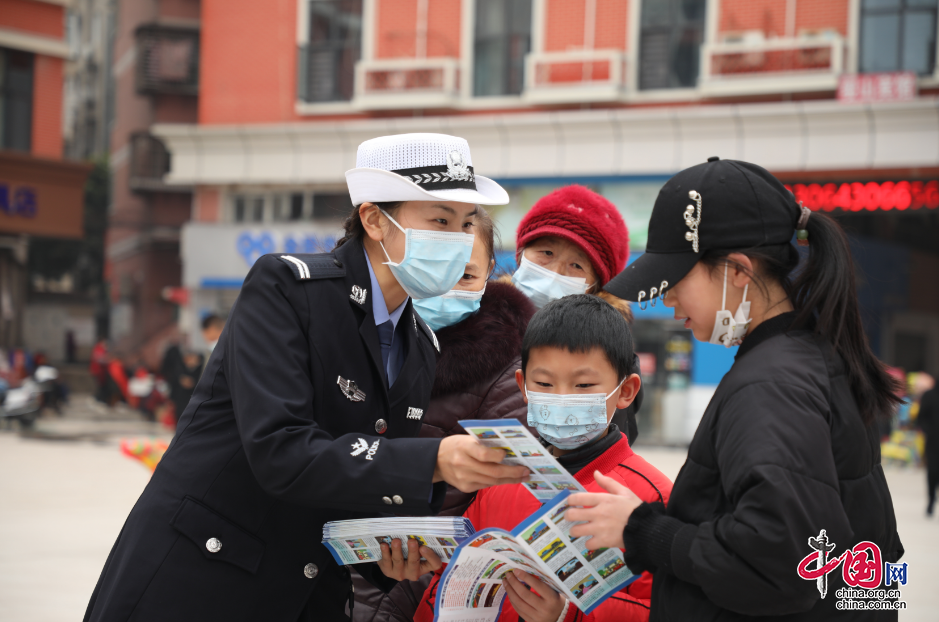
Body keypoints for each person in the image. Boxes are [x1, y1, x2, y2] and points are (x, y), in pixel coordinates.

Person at [83, 133, 530, 622]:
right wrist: (434, 459)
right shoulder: (288, 291)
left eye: (467, 225)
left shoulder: (420, 344)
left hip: (303, 595)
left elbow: (360, 481)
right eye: (440, 221)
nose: (457, 240)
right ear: (375, 219)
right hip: (201, 582)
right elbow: (281, 449)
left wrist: (392, 552)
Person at [567, 157, 904, 620]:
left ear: (738, 271)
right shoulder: (806, 358)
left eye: (676, 280)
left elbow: (780, 563)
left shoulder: (772, 385)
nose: (667, 300)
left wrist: (643, 530)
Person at [407, 295, 672, 622]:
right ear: (523, 387)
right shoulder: (501, 479)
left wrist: (567, 614)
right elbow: (450, 580)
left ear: (626, 391)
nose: (562, 397)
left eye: (584, 385)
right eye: (544, 384)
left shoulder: (651, 497)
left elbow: (664, 608)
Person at [351, 208, 538, 621]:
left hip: (414, 586)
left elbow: (492, 509)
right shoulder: (360, 339)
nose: (443, 287)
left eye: (466, 275)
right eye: (437, 270)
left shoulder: (508, 372)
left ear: (491, 271)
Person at [509, 185, 643, 443]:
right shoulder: (473, 324)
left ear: (596, 286)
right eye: (546, 252)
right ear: (521, 256)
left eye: (576, 265)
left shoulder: (613, 358)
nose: (556, 271)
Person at [919, 383, 939, 516]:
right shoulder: (929, 395)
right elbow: (921, 417)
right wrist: (929, 431)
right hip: (933, 442)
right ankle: (931, 499)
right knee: (932, 472)